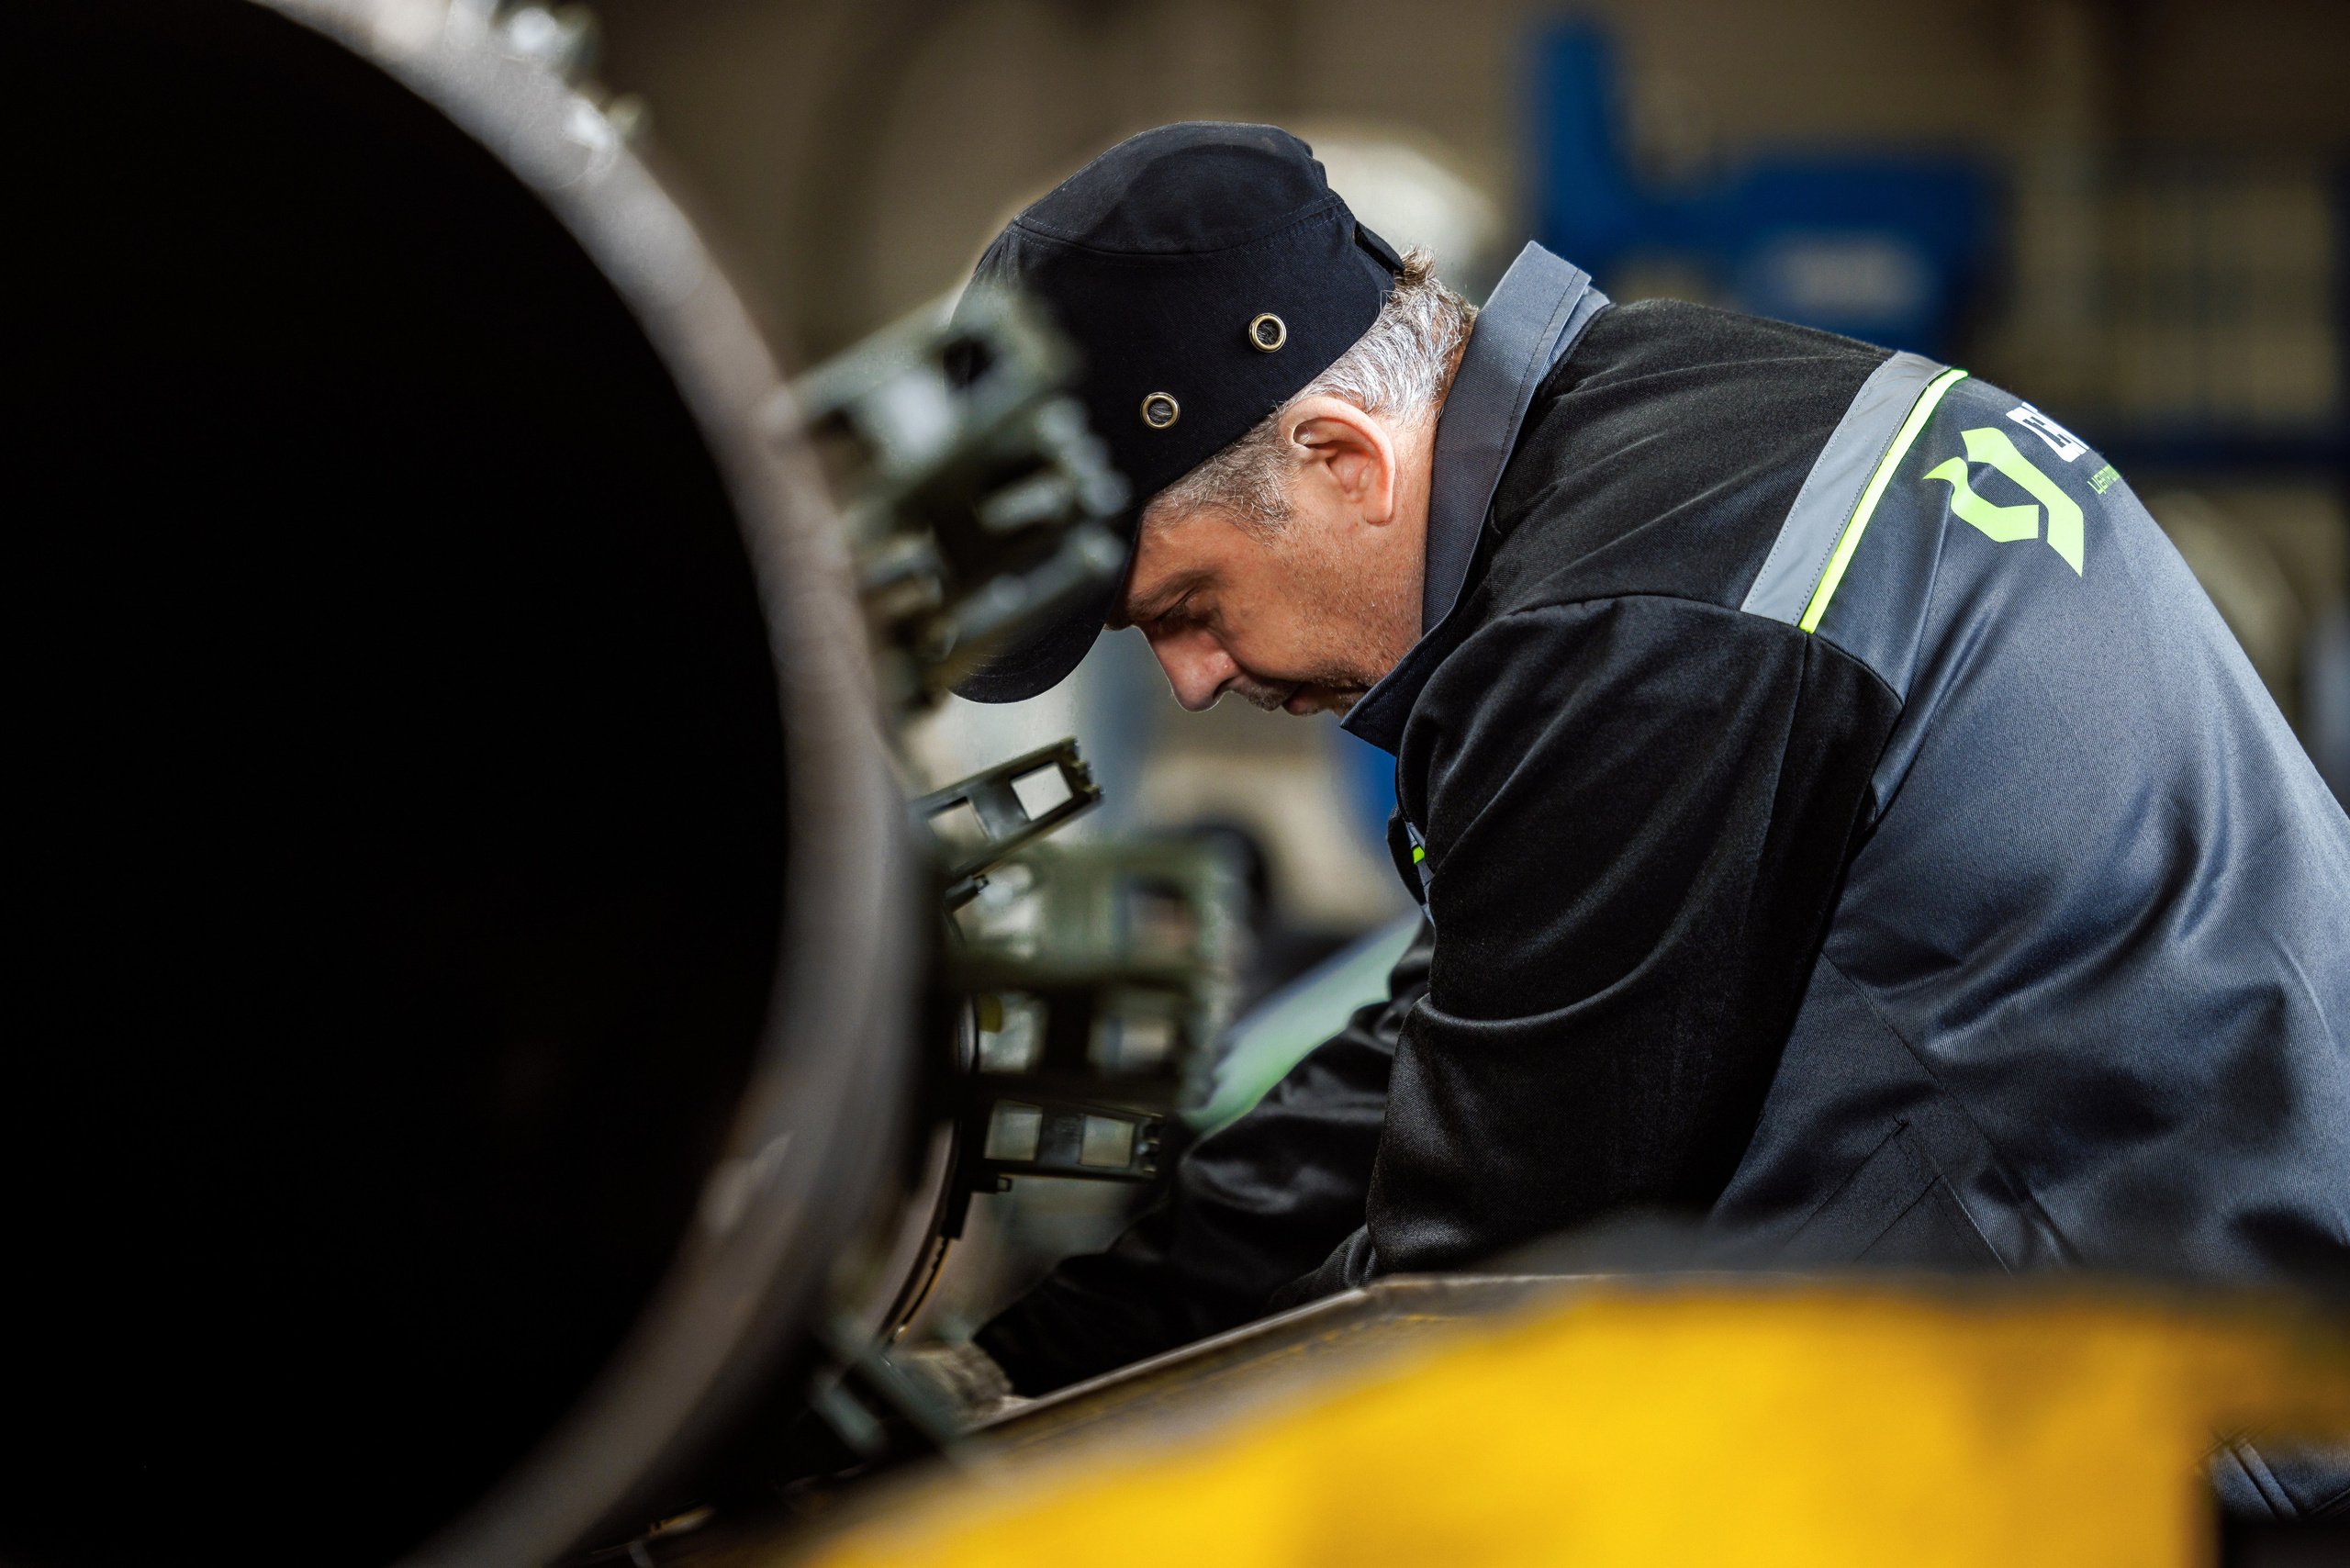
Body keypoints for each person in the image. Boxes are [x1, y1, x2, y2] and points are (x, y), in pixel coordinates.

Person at [946, 123, 2350, 1487]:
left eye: (1187, 606)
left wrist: (1046, 1473)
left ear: (1343, 460)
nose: (1193, 680)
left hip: (2201, 1429)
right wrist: (1036, 1367)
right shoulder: (1669, 436)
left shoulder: (1635, 628)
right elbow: (1461, 1043)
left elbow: (1478, 1276)